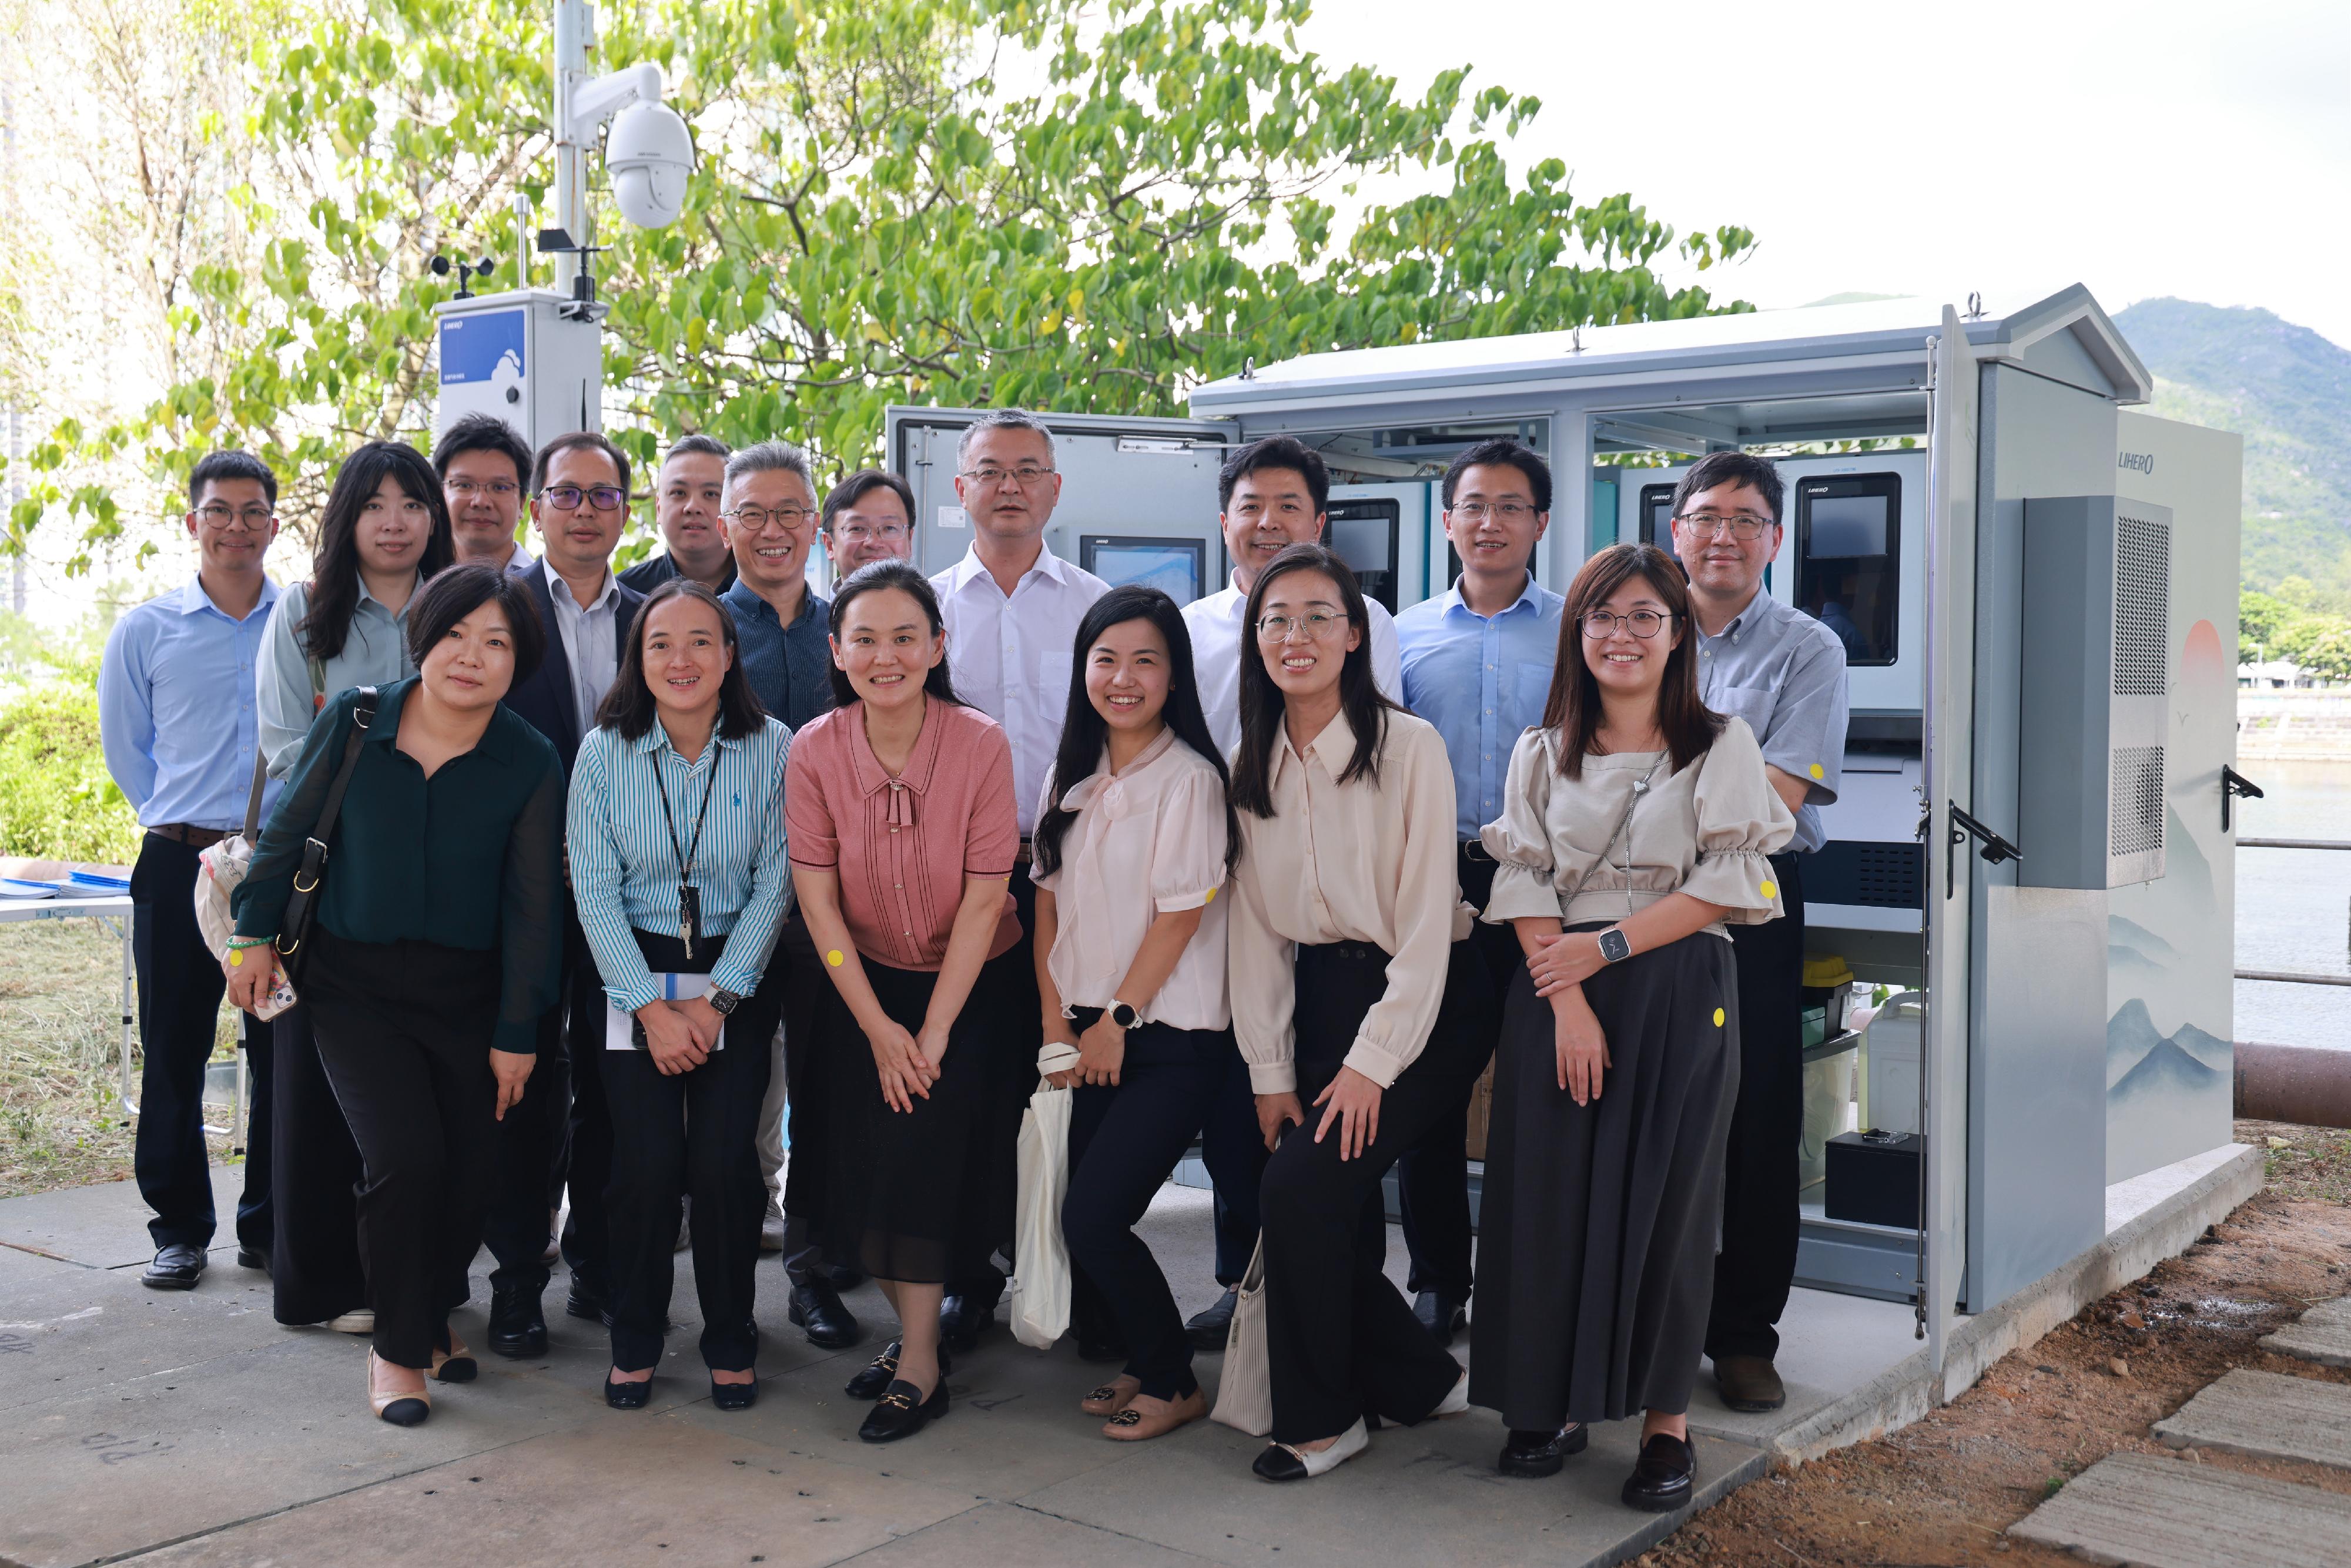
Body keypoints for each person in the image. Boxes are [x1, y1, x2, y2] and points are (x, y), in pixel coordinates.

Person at [1468, 542, 1794, 1510]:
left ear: (1678, 632)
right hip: (1554, 987)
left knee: (1671, 1202)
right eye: (1604, 616)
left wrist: (1601, 951)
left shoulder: (1721, 744)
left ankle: (1664, 1425)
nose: (1623, 634)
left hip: (1676, 985)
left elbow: (1732, 881)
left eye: (1646, 615)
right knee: (1544, 1195)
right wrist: (1565, 995)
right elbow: (1521, 875)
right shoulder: (1542, 747)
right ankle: (1549, 1400)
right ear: (1578, 630)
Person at [226, 564, 564, 1428]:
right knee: (405, 1159)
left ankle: (427, 1315)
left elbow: (534, 907)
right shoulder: (359, 716)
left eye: (496, 643)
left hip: (468, 994)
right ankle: (397, 1349)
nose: (471, 657)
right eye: (455, 635)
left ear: (518, 659)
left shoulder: (527, 757)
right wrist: (251, 933)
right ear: (424, 636)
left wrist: (519, 1028)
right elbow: (290, 828)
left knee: (469, 1173)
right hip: (353, 987)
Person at [1225, 542, 1484, 1483]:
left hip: (1432, 998)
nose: (1296, 636)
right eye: (1275, 619)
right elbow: (1255, 931)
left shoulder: (1410, 748)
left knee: (1299, 1190)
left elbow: (1423, 929)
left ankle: (1325, 1420)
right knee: (1312, 1194)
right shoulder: (1247, 761)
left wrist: (1373, 1063)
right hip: (1322, 996)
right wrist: (1271, 1071)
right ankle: (1415, 1379)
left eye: (1317, 616)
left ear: (1355, 633)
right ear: (1255, 639)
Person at [786, 561, 1024, 1443]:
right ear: (838, 651)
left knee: (927, 1162)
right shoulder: (812, 748)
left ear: (936, 645)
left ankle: (920, 1362)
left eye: (904, 637)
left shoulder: (980, 743)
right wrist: (879, 1025)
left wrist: (929, 1029)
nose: (885, 655)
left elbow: (985, 896)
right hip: (860, 986)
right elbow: (819, 906)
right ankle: (917, 1338)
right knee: (857, 1166)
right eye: (864, 639)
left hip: (970, 986)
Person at [1177, 434, 1405, 1351]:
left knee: (1327, 1108)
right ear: (1224, 521)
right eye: (1250, 507)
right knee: (1239, 1104)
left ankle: (1348, 1298)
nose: (1266, 523)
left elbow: (1371, 755)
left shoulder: (1365, 622)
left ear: (1320, 522)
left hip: (1323, 904)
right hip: (1211, 900)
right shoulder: (1187, 628)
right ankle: (1246, 1282)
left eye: (1287, 507)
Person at [570, 579, 793, 1411]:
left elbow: (778, 884)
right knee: (645, 1168)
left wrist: (718, 1001)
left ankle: (731, 1336)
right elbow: (593, 891)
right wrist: (649, 1008)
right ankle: (636, 1336)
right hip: (635, 973)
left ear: (730, 656)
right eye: (661, 643)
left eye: (702, 641)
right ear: (639, 658)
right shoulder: (604, 750)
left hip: (738, 970)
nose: (682, 659)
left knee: (726, 1166)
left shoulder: (775, 744)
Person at [253, 439, 456, 1335]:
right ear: (347, 517)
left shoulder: (458, 607)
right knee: (311, 1101)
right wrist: (392, 789)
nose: (394, 521)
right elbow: (287, 750)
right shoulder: (303, 616)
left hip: (438, 890)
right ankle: (325, 1285)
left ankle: (413, 1283)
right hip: (324, 891)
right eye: (374, 505)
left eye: (411, 503)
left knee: (417, 1110)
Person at [1030, 585, 1238, 1442]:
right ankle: (1143, 1357)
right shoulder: (1070, 775)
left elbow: (1182, 913)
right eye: (1106, 658)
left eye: (1145, 660)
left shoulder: (1190, 779)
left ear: (1174, 676)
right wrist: (1055, 1023)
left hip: (1169, 1037)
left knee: (1094, 1216)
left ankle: (1172, 1379)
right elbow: (1042, 901)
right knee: (1076, 1209)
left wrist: (1117, 1016)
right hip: (1081, 1031)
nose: (1124, 677)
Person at [1666, 452, 1850, 1417]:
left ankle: (1744, 1336)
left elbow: (1773, 803)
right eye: (1706, 516)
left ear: (1774, 539)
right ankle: (1656, 1320)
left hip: (1758, 902)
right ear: (1676, 532)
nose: (1723, 534)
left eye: (1745, 519)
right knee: (1655, 1105)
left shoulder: (1807, 649)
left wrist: (1655, 809)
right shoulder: (1636, 625)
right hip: (1638, 899)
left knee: (1757, 1114)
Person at [928, 409, 1108, 1353]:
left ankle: (1059, 1269)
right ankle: (969, 1274)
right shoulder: (921, 608)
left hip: (1066, 875)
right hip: (952, 882)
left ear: (1054, 490)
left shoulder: (1094, 606)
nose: (1008, 486)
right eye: (989, 470)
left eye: (1027, 470)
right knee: (966, 1079)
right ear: (957, 489)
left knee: (1056, 1077)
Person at [1389, 439, 1564, 1346]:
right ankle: (1437, 1281)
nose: (1489, 523)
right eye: (1473, 506)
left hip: (1548, 883)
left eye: (1510, 506)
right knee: (1429, 1086)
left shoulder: (1578, 627)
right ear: (1448, 520)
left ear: (1539, 522)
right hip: (1438, 877)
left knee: (1544, 1087)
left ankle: (1527, 1279)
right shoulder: (1403, 635)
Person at [98, 451, 283, 1292]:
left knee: (283, 1050)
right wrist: (188, 831)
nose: (236, 527)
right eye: (220, 511)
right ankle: (179, 1230)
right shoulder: (147, 628)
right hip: (178, 861)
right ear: (192, 523)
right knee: (174, 1047)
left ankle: (270, 1226)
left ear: (274, 526)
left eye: (252, 512)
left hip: (279, 868)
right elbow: (127, 751)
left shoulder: (304, 621)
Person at [491, 429, 647, 1359]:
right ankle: (516, 1283)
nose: (585, 511)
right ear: (536, 508)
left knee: (612, 1091)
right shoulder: (493, 608)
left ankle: (597, 1265)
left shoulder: (662, 615)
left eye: (603, 496)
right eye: (567, 494)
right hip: (522, 900)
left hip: (628, 910)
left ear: (625, 512)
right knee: (523, 1092)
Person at [714, 442, 859, 1349]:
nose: (773, 532)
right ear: (725, 524)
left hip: (841, 904)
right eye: (754, 515)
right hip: (725, 905)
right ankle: (725, 1290)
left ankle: (817, 1274)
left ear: (818, 526)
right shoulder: (689, 624)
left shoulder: (852, 626)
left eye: (790, 514)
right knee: (738, 1104)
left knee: (827, 1090)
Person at [619, 434, 737, 594]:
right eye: (679, 493)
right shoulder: (624, 594)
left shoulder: (767, 587)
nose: (693, 507)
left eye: (711, 494)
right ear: (659, 509)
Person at [434, 414, 537, 575]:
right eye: (464, 485)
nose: (481, 501)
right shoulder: (415, 583)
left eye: (500, 488)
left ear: (522, 502)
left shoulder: (546, 592)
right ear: (440, 495)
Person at [819, 468, 917, 582]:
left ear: (909, 541)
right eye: (857, 529)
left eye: (890, 528)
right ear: (830, 545)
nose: (874, 543)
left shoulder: (932, 600)